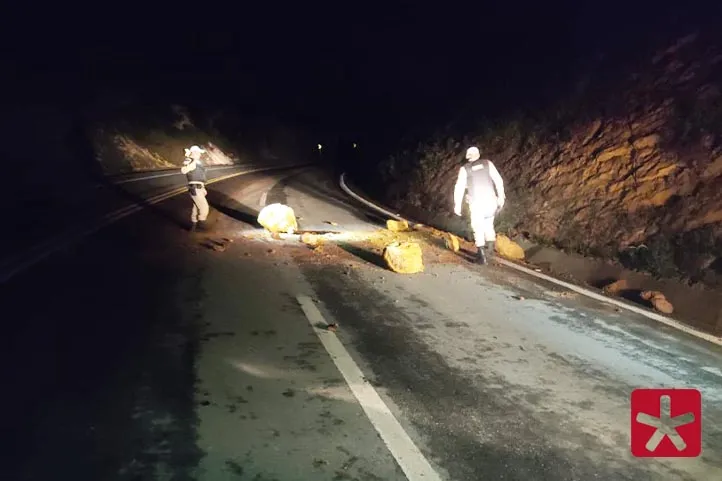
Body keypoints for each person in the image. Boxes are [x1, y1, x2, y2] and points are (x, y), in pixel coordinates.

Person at [453, 146, 506, 264]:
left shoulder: (465, 169)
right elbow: (498, 181)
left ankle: (481, 257)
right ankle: (490, 250)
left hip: (477, 202)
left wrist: (457, 205)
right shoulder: (488, 163)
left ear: (467, 156)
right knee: (488, 224)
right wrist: (501, 198)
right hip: (491, 200)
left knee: (477, 227)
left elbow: (459, 187)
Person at [181, 145, 209, 232]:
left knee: (196, 208)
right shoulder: (190, 160)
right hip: (195, 188)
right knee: (204, 208)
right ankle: (201, 227)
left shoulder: (198, 162)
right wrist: (191, 161)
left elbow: (200, 177)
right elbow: (183, 170)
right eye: (198, 152)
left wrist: (203, 188)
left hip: (199, 188)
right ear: (193, 153)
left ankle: (193, 227)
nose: (200, 154)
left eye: (200, 153)